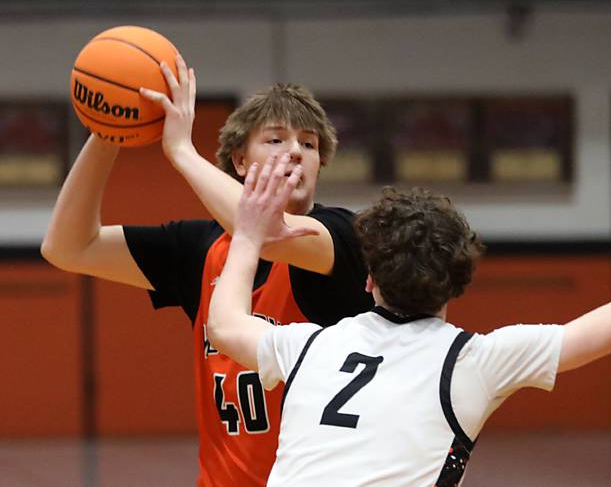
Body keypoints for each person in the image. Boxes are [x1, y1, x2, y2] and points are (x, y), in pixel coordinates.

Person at [207, 135, 611, 486]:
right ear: (457, 284)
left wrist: (251, 234)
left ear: (369, 278)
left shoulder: (311, 345)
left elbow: (225, 325)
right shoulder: (474, 361)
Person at [40, 54, 374, 486]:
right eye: (276, 140)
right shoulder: (201, 248)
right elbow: (69, 246)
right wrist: (110, 130)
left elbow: (264, 228)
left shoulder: (341, 236)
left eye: (308, 144)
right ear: (239, 161)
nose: (295, 150)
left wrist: (181, 150)